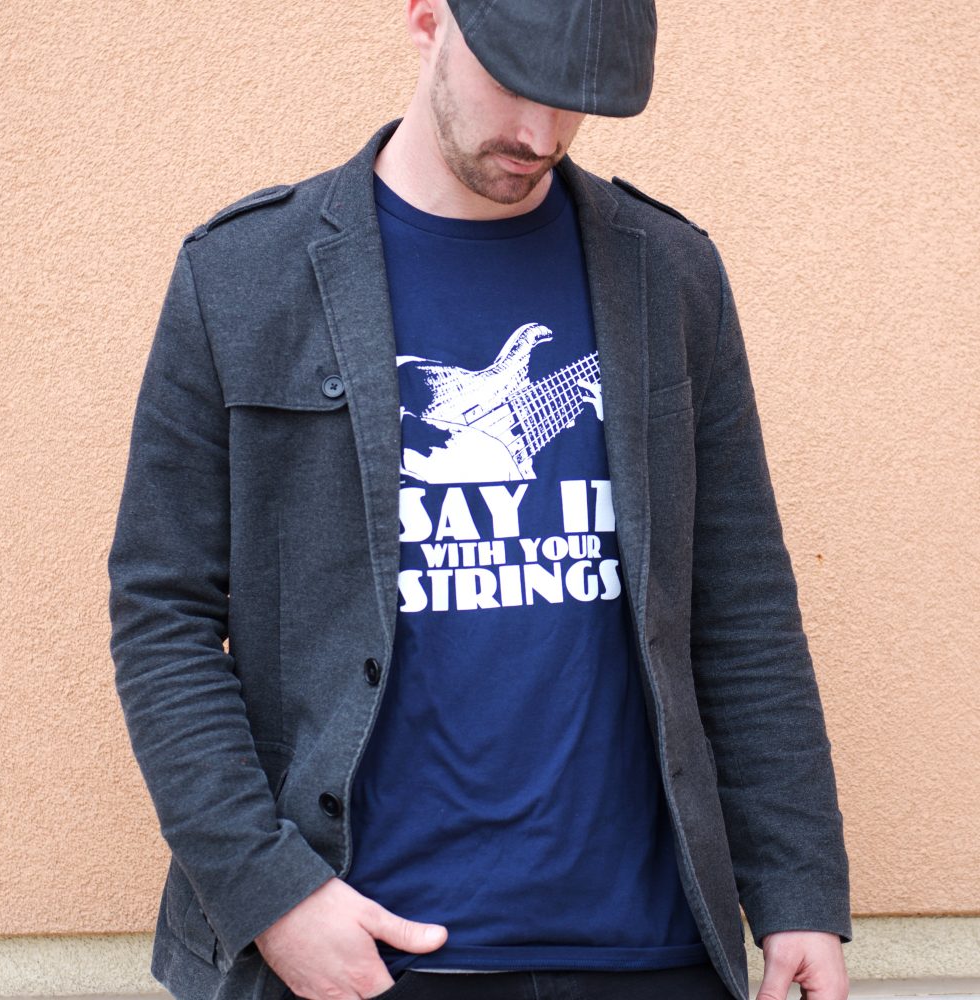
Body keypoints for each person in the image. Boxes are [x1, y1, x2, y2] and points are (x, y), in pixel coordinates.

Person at [107, 2, 852, 999]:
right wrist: (271, 894)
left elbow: (742, 604)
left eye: (574, 101)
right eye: (513, 82)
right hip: (364, 950)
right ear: (428, 20)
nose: (539, 134)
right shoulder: (244, 275)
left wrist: (798, 888)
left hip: (647, 952)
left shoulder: (669, 274)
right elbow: (162, 612)